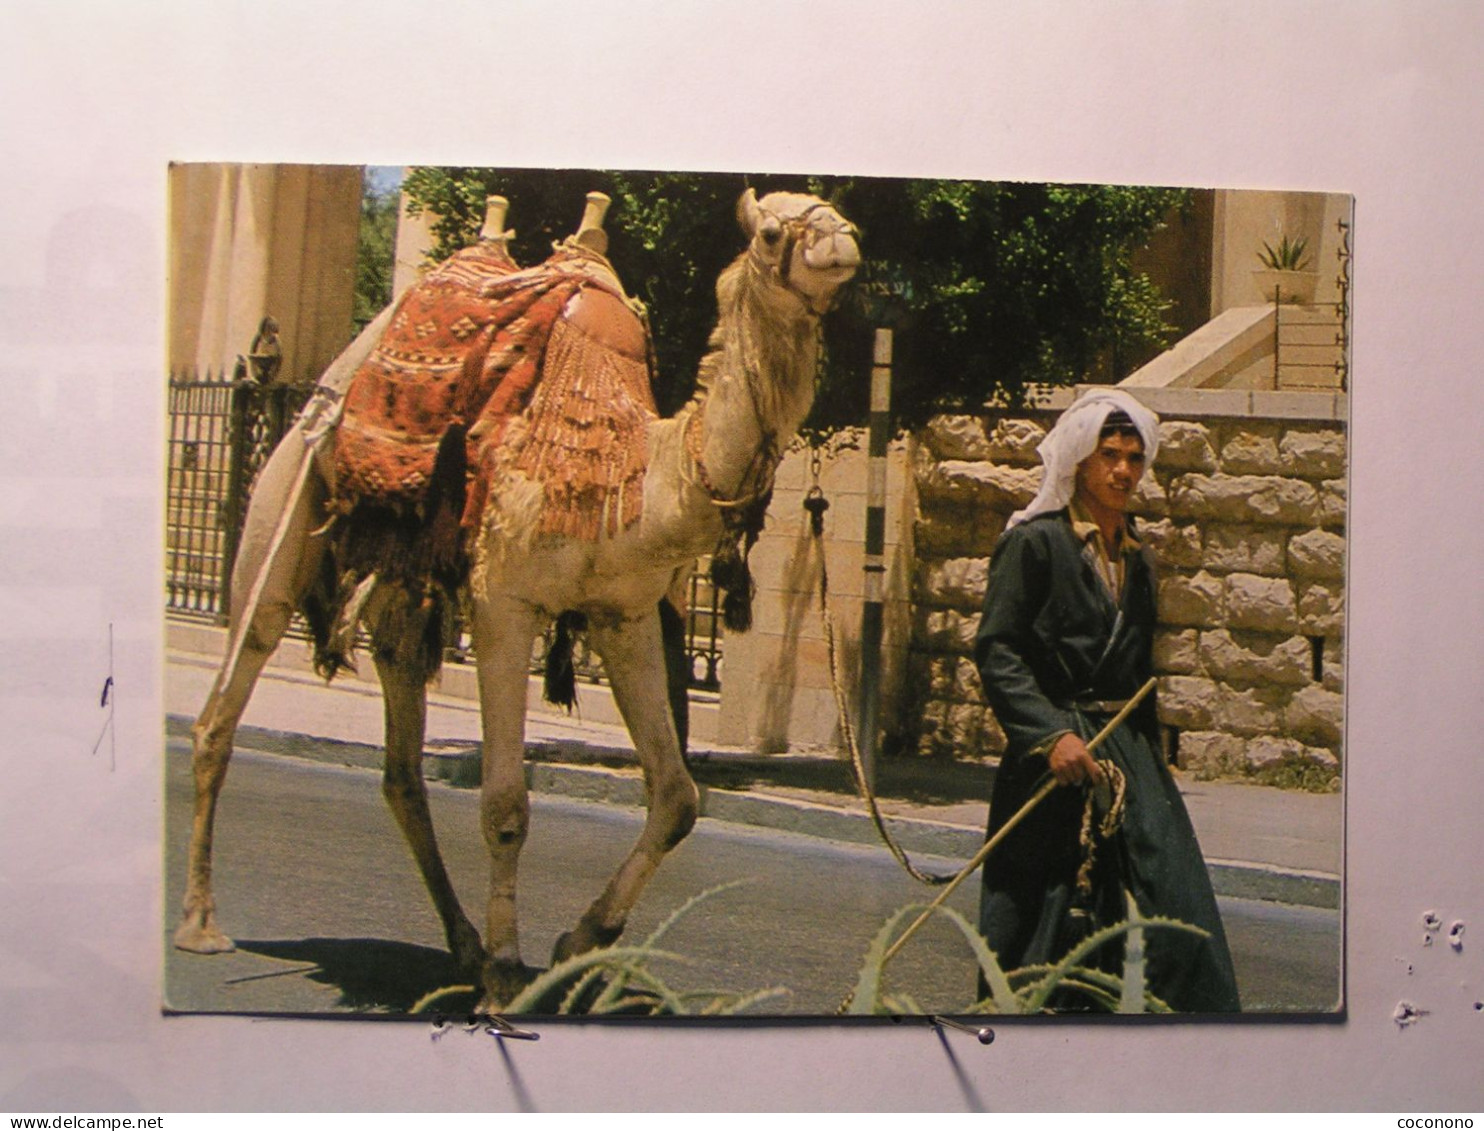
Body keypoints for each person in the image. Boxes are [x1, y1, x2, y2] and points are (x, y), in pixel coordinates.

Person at [974, 388, 1240, 1012]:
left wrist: (1151, 771)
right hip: (1054, 756)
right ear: (1079, 461)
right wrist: (1048, 736)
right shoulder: (1033, 545)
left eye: (1134, 458)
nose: (1123, 471)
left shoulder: (1141, 559)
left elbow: (1136, 669)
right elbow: (998, 652)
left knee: (1173, 902)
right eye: (1109, 455)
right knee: (1045, 915)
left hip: (1128, 758)